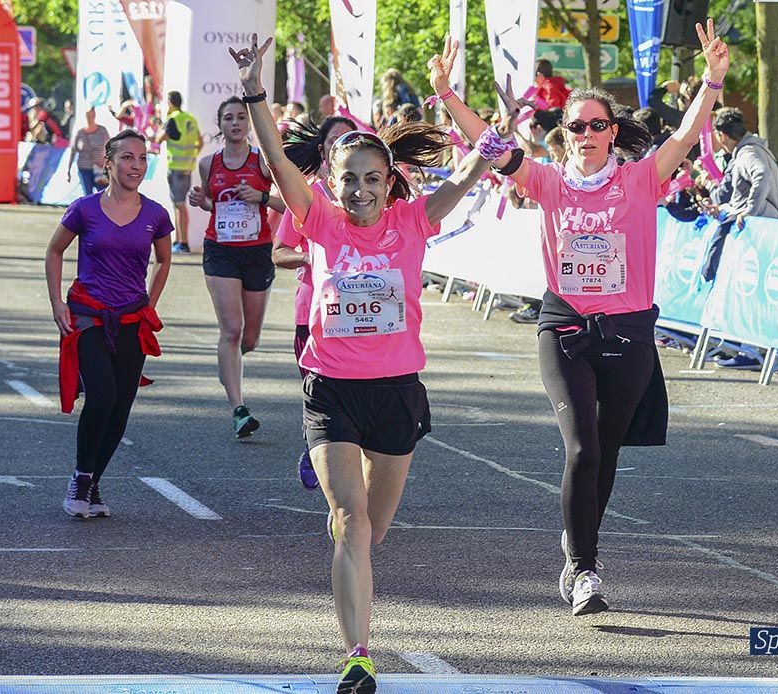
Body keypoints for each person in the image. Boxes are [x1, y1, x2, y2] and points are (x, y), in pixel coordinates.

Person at [229, 33, 509, 693]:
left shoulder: (415, 222)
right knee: (350, 521)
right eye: (347, 178)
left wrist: (448, 97)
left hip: (397, 395)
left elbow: (485, 156)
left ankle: (352, 579)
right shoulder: (318, 220)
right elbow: (274, 159)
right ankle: (358, 655)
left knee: (371, 531)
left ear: (390, 185)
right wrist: (253, 87)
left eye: (370, 180)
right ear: (332, 182)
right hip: (331, 391)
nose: (357, 190)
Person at [431, 22, 729, 616]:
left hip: (628, 331)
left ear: (613, 133)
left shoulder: (641, 178)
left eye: (598, 125)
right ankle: (584, 569)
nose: (587, 134)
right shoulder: (545, 181)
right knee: (581, 450)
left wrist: (713, 79)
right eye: (576, 127)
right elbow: (490, 146)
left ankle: (580, 534)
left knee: (608, 451)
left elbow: (691, 130)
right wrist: (447, 95)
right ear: (563, 136)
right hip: (565, 328)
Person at [45, 130, 173, 519]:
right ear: (109, 162)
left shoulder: (156, 214)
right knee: (101, 396)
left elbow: (164, 260)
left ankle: (93, 481)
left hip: (132, 316)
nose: (136, 165)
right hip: (88, 313)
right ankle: (81, 479)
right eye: (127, 157)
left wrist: (150, 303)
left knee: (120, 406)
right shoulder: (84, 209)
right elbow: (54, 250)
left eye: (142, 158)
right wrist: (56, 302)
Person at [188, 97, 287, 438]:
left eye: (241, 118)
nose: (235, 123)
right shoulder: (208, 163)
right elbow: (212, 203)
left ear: (249, 124)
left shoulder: (263, 163)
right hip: (221, 252)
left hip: (256, 251)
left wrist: (260, 197)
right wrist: (203, 202)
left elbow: (289, 203)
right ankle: (238, 408)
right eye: (228, 118)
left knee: (249, 338)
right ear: (221, 125)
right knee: (231, 330)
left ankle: (228, 362)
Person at [273, 115, 356, 488]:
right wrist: (311, 256)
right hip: (314, 315)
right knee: (323, 398)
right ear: (323, 151)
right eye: (337, 142)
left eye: (353, 141)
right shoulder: (308, 197)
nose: (345, 149)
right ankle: (317, 445)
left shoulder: (373, 195)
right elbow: (280, 252)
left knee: (361, 404)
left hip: (363, 318)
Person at [699, 106, 778, 285]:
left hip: (761, 227)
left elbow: (762, 175)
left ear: (722, 135)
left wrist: (749, 211)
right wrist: (723, 209)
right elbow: (741, 196)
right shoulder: (750, 150)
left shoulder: (748, 153)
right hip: (763, 224)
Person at [156, 91, 203, 254]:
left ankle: (184, 243)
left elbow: (158, 138)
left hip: (176, 167)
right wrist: (192, 158)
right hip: (187, 167)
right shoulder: (190, 118)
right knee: (178, 205)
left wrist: (160, 124)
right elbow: (200, 141)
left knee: (180, 205)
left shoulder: (173, 119)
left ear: (170, 102)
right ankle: (179, 240)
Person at [67, 107, 111, 196]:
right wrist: (69, 169)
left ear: (95, 115)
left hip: (99, 167)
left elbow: (110, 147)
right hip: (84, 167)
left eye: (91, 115)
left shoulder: (102, 130)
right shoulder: (80, 132)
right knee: (88, 193)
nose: (90, 118)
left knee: (102, 193)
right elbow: (73, 150)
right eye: (88, 115)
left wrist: (109, 164)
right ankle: (89, 209)